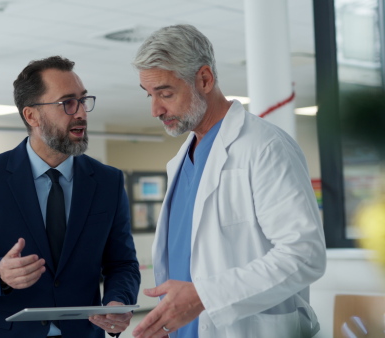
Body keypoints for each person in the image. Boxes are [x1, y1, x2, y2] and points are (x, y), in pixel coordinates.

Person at [130, 24, 327, 338]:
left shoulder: (265, 146)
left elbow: (304, 255)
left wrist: (206, 296)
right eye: (150, 95)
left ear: (205, 79)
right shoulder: (180, 162)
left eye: (165, 93)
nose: (155, 109)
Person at [0, 55, 141, 337]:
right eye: (67, 103)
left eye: (83, 100)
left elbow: (122, 263)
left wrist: (118, 302)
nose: (81, 112)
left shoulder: (107, 181)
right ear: (31, 115)